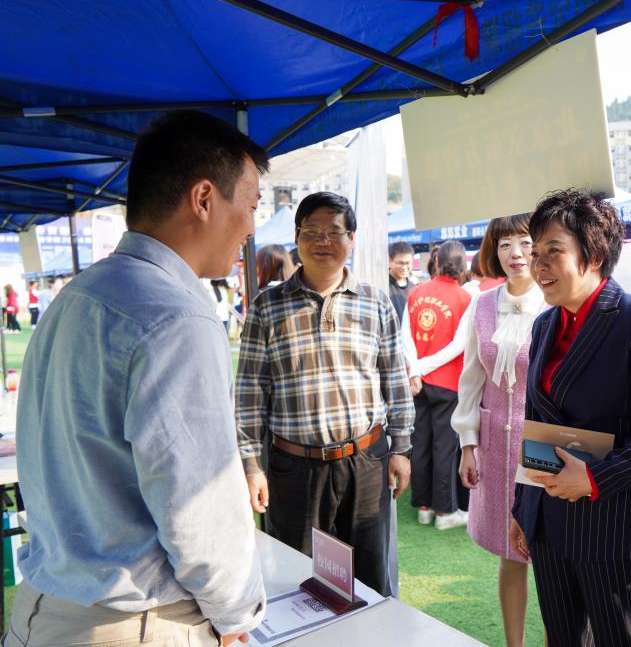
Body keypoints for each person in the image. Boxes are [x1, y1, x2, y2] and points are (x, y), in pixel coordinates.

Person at [5, 109, 267, 646]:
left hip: (44, 608)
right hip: (132, 624)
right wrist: (236, 613)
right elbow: (199, 509)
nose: (251, 226)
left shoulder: (75, 297)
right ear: (203, 198)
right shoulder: (178, 317)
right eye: (251, 204)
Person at [509, 189, 631, 647]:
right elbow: (537, 419)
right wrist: (523, 507)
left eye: (553, 251)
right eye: (535, 252)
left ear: (595, 256)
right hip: (549, 521)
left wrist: (592, 478)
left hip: (614, 527)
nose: (538, 265)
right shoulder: (546, 323)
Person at [235, 191, 414, 597]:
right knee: (298, 582)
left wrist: (401, 448)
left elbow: (395, 381)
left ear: (352, 238)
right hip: (293, 466)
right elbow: (249, 393)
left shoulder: (376, 303)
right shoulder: (267, 306)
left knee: (369, 580)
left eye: (334, 232)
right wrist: (251, 466)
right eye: (312, 231)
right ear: (297, 237)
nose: (323, 242)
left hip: (366, 460)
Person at [451, 214, 544, 647]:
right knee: (510, 554)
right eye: (505, 244)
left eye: (524, 241)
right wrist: (468, 443)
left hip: (543, 443)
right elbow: (471, 378)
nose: (516, 253)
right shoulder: (483, 304)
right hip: (494, 443)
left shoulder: (554, 301)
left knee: (550, 554)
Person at [402, 240, 473, 530]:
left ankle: (423, 507)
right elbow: (458, 346)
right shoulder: (466, 298)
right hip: (448, 383)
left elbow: (405, 337)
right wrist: (425, 368)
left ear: (437, 261)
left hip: (417, 382)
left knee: (420, 444)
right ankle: (444, 512)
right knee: (444, 447)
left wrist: (416, 369)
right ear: (464, 265)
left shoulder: (416, 292)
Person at [387, 240, 417, 316]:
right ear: (390, 261)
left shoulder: (414, 288)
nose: (404, 267)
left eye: (407, 263)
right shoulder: (383, 285)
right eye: (400, 263)